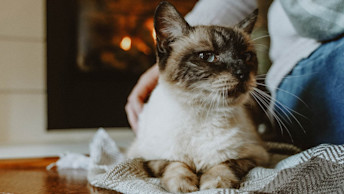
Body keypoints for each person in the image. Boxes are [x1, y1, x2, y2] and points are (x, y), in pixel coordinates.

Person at [125, 0, 344, 149]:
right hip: (313, 54)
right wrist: (171, 56)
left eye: (246, 58)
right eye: (209, 57)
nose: (240, 71)